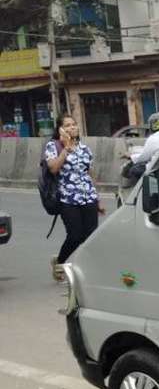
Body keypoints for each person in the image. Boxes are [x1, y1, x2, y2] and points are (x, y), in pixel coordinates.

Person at [45, 113, 103, 280]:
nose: (72, 127)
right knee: (75, 235)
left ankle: (87, 269)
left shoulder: (85, 149)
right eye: (67, 125)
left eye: (74, 124)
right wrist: (65, 149)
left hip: (88, 197)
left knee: (91, 236)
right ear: (60, 129)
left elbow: (89, 174)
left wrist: (97, 198)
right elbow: (53, 168)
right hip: (67, 198)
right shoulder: (52, 146)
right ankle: (60, 262)